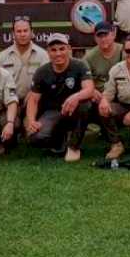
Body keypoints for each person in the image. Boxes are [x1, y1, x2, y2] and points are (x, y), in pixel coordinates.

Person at [25, 33, 95, 163]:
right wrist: (31, 120)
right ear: (48, 52)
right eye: (53, 50)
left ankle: (74, 147)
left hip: (75, 110)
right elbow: (33, 100)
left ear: (69, 49)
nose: (58, 54)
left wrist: (75, 97)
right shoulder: (42, 72)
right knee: (35, 139)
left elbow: (89, 89)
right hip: (52, 112)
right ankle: (60, 140)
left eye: (62, 49)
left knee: (86, 104)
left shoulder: (79, 65)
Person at [0, 17, 49, 119]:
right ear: (13, 34)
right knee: (10, 128)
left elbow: (46, 82)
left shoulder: (43, 55)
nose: (22, 34)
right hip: (9, 103)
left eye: (25, 30)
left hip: (36, 102)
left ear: (32, 32)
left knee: (33, 131)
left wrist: (33, 93)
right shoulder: (3, 56)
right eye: (19, 31)